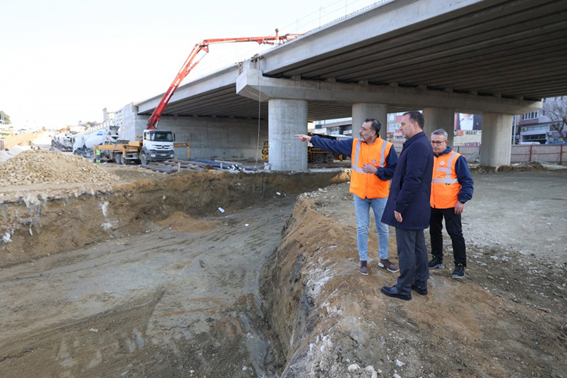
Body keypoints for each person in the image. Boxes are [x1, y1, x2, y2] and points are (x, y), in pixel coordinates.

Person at [294, 119, 399, 275]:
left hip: (379, 194)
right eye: (361, 128)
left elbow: (394, 170)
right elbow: (333, 145)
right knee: (362, 227)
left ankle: (384, 259)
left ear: (373, 132)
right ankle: (363, 261)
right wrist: (311, 139)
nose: (360, 131)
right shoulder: (354, 144)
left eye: (364, 129)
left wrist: (377, 171)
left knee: (383, 228)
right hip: (359, 194)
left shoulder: (387, 147)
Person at [380, 111, 433, 301]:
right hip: (416, 207)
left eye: (403, 124)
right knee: (418, 247)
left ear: (415, 124)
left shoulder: (418, 146)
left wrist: (400, 207)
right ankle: (420, 283)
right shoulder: (419, 144)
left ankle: (403, 288)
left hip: (409, 209)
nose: (399, 128)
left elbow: (412, 180)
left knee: (407, 250)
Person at [428, 129, 474, 279]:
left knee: (455, 234)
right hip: (433, 204)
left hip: (451, 205)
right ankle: (437, 259)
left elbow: (467, 182)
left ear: (446, 142)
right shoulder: (429, 157)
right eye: (433, 142)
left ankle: (460, 265)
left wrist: (461, 200)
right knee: (434, 232)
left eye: (438, 142)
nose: (435, 145)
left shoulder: (456, 159)